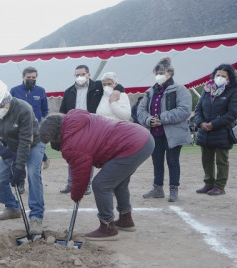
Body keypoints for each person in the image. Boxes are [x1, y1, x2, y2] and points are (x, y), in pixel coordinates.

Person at [39, 111, 154, 240]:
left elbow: (81, 174)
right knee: (118, 182)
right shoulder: (74, 118)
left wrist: (76, 195)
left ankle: (108, 228)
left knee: (101, 184)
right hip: (141, 137)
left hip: (132, 144)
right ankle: (125, 220)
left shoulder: (72, 144)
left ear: (56, 137)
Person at [0, 78, 45, 234]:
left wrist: (18, 169)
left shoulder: (24, 109)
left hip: (33, 144)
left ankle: (36, 216)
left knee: (32, 174)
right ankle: (12, 207)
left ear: (6, 98)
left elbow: (25, 141)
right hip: (11, 147)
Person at [59, 64, 124, 195]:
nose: (80, 77)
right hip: (73, 128)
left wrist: (117, 91)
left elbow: (118, 85)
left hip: (91, 126)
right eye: (77, 75)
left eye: (82, 74)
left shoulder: (98, 86)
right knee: (73, 156)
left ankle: (86, 185)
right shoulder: (69, 91)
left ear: (88, 74)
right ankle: (71, 183)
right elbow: (62, 111)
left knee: (89, 156)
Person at [137, 57, 192, 202]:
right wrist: (149, 120)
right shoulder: (150, 92)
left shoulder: (180, 89)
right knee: (157, 161)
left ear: (170, 73)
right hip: (155, 133)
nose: (158, 75)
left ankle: (174, 190)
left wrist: (161, 118)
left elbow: (184, 110)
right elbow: (140, 110)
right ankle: (158, 189)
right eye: (157, 72)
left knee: (173, 161)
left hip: (173, 134)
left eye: (161, 72)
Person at [194, 64, 237, 196]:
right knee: (206, 159)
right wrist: (200, 122)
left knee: (222, 160)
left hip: (222, 132)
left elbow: (233, 113)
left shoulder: (233, 91)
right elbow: (198, 109)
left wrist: (213, 124)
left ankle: (220, 186)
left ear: (229, 78)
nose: (220, 78)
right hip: (205, 132)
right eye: (218, 75)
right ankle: (208, 183)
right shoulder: (207, 89)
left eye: (223, 76)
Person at [10, 66, 50, 171]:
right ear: (23, 77)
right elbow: (10, 110)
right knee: (21, 154)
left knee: (36, 152)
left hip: (37, 129)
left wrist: (43, 122)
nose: (31, 79)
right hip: (19, 129)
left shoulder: (41, 91)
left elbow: (45, 110)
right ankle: (20, 180)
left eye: (33, 77)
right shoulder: (14, 91)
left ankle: (43, 160)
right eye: (29, 77)